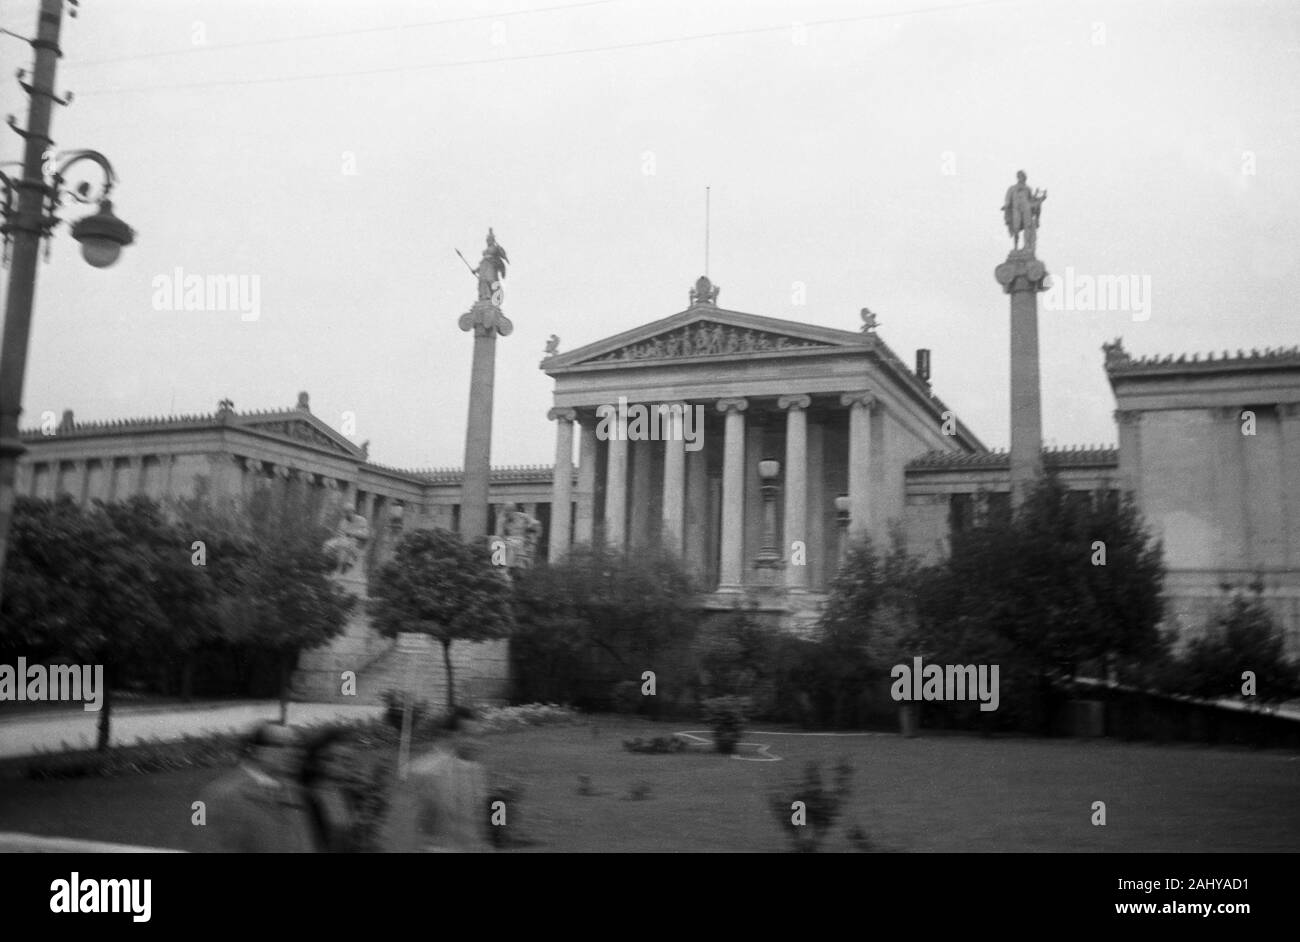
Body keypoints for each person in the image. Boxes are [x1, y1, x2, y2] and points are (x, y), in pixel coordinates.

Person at [202, 722, 319, 853]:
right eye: (279, 745)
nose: (292, 752)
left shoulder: (295, 792)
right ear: (254, 750)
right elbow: (208, 843)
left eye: (296, 745)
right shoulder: (222, 793)